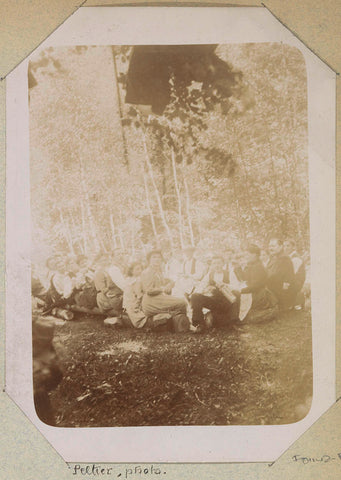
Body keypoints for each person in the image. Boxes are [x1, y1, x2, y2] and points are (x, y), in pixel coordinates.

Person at [190, 255, 240, 332]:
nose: (217, 265)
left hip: (226, 302)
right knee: (195, 296)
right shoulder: (210, 275)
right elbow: (200, 287)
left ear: (223, 264)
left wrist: (225, 285)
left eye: (219, 263)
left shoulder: (229, 273)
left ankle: (234, 322)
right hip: (214, 302)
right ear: (212, 265)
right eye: (214, 263)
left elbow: (237, 287)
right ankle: (199, 324)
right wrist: (206, 289)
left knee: (236, 294)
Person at [237, 244, 278, 323]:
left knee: (236, 296)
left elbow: (255, 286)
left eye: (247, 254)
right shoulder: (251, 265)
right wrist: (238, 268)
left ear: (255, 255)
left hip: (259, 294)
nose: (246, 256)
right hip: (252, 291)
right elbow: (245, 279)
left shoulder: (258, 267)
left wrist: (241, 290)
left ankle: (237, 319)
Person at [140, 250, 187, 317]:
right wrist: (163, 289)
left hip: (158, 298)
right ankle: (181, 324)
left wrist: (170, 283)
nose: (157, 259)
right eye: (154, 257)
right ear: (149, 260)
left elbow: (164, 283)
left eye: (159, 257)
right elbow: (148, 290)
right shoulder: (147, 272)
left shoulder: (158, 271)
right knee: (182, 303)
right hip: (151, 301)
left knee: (181, 301)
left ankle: (182, 322)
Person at [266, 238, 296, 310]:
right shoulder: (273, 258)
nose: (271, 248)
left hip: (280, 291)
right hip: (271, 287)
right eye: (270, 246)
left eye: (273, 246)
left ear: (280, 247)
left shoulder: (284, 259)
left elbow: (285, 278)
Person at [93, 252, 124, 317]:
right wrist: (115, 289)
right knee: (118, 301)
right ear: (98, 262)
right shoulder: (99, 273)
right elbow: (103, 289)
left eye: (106, 260)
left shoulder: (110, 269)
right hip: (104, 297)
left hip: (113, 292)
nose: (105, 262)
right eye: (102, 261)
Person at [283, 239, 306, 310]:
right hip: (292, 280)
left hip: (297, 281)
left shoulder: (295, 258)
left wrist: (284, 282)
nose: (286, 248)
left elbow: (292, 273)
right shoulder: (288, 257)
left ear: (293, 247)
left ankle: (296, 302)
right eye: (284, 246)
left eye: (288, 246)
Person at [123, 262, 147, 329]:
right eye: (137, 269)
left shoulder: (128, 279)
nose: (140, 271)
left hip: (127, 304)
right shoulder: (137, 280)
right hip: (134, 303)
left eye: (141, 269)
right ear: (132, 271)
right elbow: (139, 295)